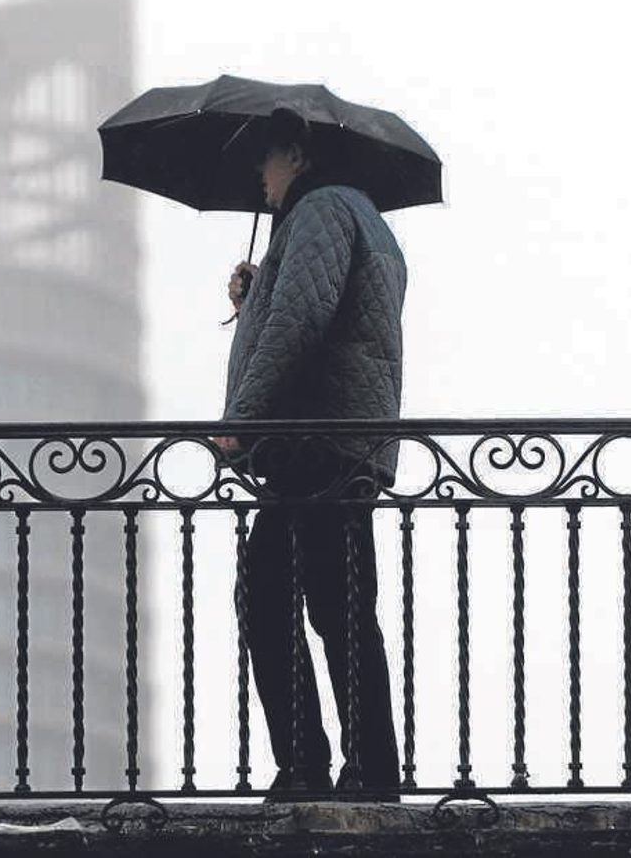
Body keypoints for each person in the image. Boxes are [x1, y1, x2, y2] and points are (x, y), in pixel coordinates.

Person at [217, 109, 407, 797]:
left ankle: (326, 767)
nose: (259, 176)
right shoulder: (354, 214)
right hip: (336, 440)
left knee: (288, 599)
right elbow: (309, 309)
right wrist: (257, 293)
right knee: (331, 603)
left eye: (265, 159)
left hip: (317, 443)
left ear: (295, 154)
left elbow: (300, 323)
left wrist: (240, 419)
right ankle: (351, 766)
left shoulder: (321, 210)